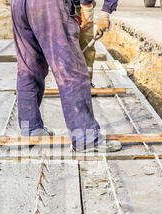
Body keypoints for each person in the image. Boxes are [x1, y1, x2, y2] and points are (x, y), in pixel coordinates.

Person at [11, 0, 121, 153]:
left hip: (18, 5)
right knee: (71, 72)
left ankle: (31, 130)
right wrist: (95, 8)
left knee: (29, 68)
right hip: (50, 6)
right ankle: (86, 138)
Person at [74, 0, 117, 82]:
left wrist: (105, 12)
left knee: (86, 45)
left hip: (82, 7)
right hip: (59, 8)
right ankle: (66, 84)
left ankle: (86, 82)